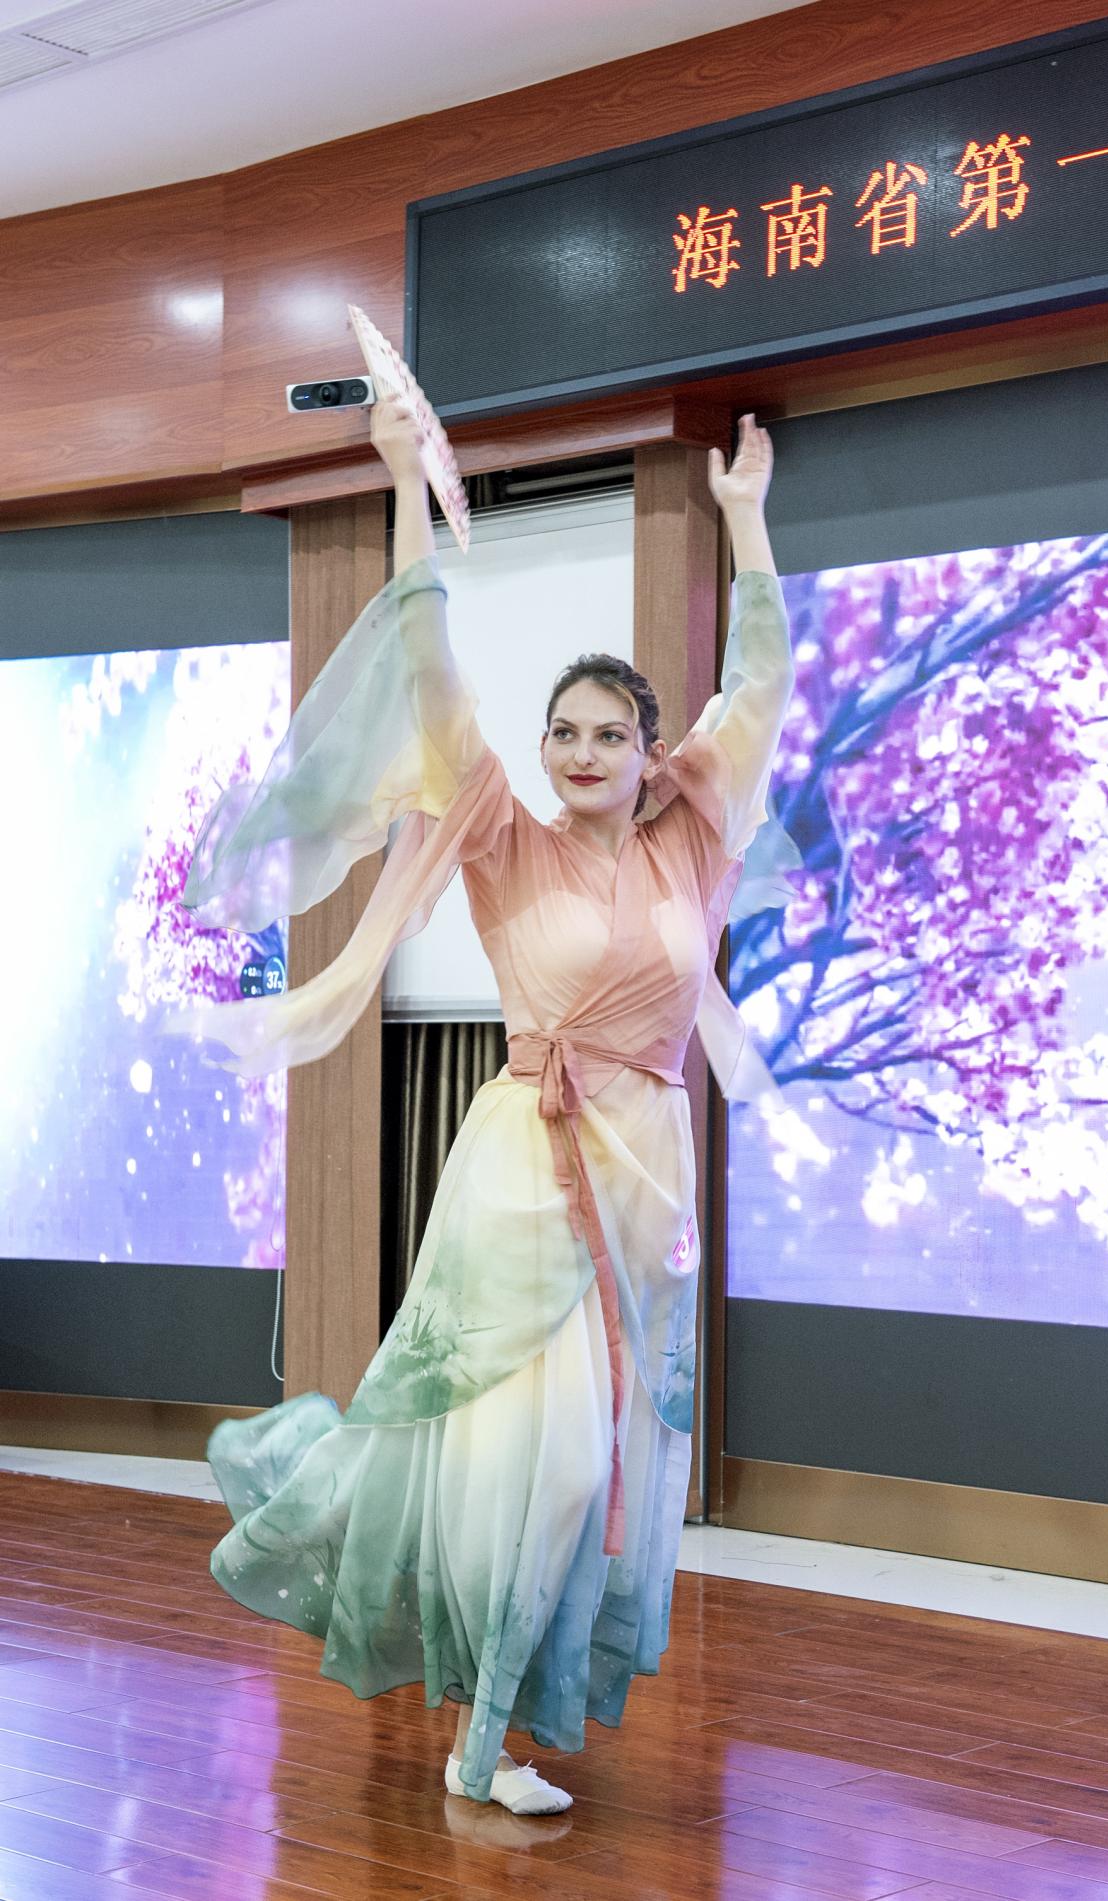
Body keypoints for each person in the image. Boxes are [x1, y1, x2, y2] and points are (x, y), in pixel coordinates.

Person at [165, 397, 794, 1816]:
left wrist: (745, 519)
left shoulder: (696, 841)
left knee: (587, 1481)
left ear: (651, 752)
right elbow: (427, 662)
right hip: (522, 1168)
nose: (582, 751)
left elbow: (758, 683)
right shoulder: (505, 832)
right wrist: (404, 478)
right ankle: (480, 1726)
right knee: (540, 1469)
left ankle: (486, 1734)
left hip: (645, 1176)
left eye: (610, 733)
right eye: (563, 730)